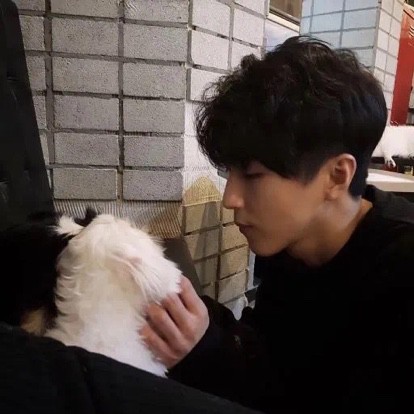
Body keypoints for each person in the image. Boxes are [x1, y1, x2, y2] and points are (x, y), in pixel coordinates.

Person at [140, 36, 414, 413]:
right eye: (230, 174)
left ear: (337, 175)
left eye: (253, 176)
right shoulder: (292, 243)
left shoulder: (401, 272)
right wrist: (194, 325)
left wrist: (207, 351)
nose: (230, 198)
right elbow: (272, 362)